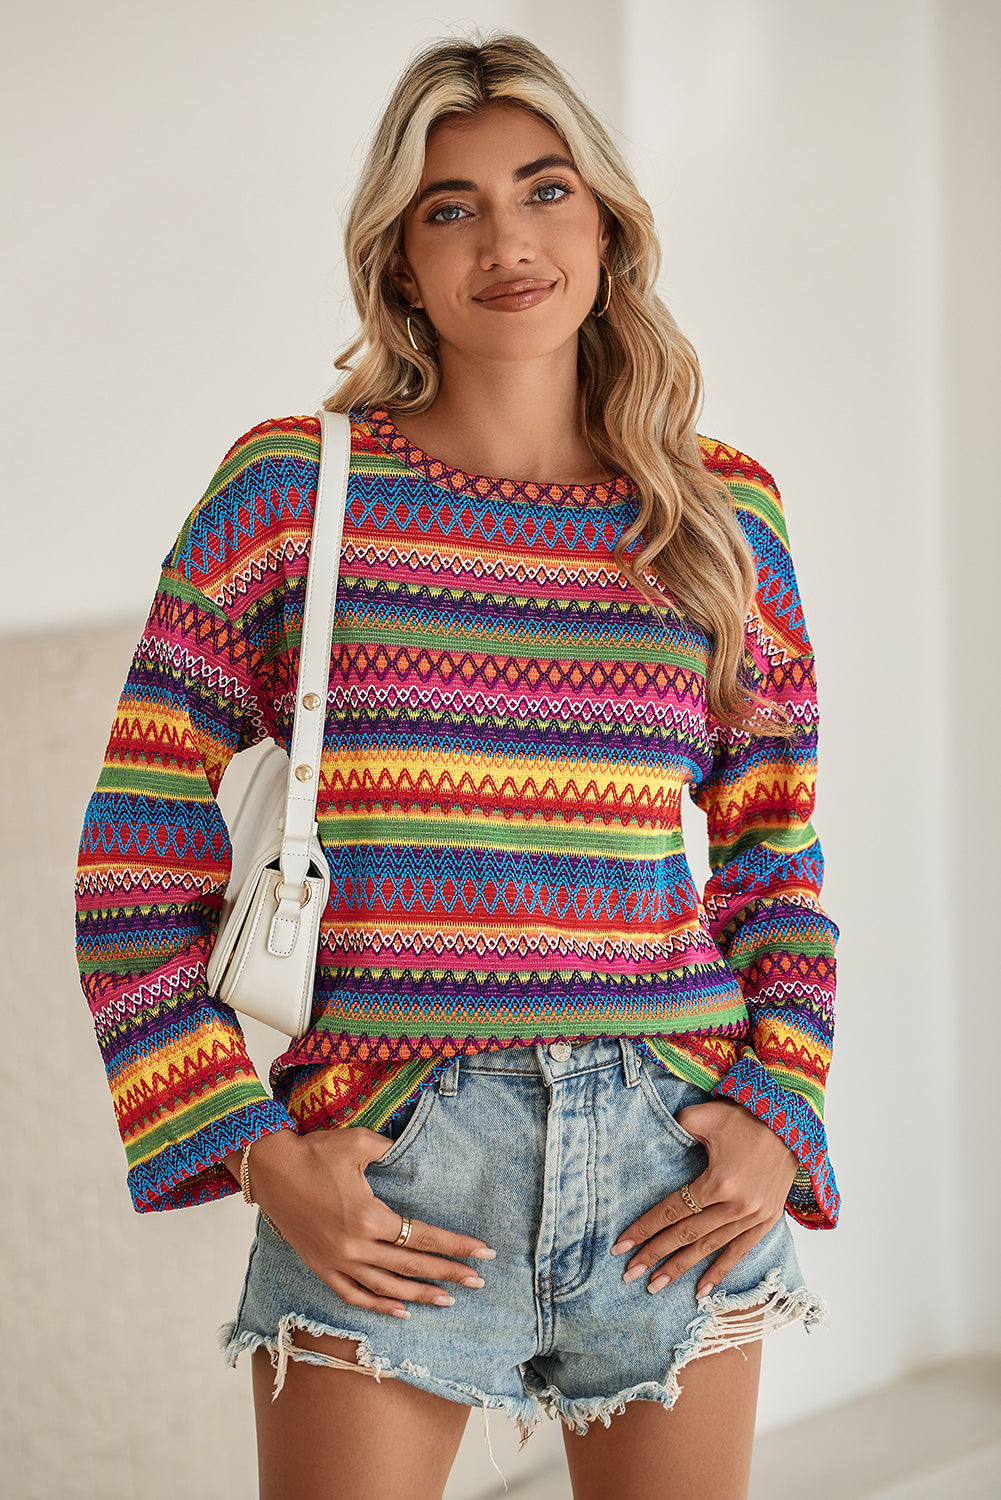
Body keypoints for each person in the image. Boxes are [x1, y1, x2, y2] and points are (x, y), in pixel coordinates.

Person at [75, 31, 838, 1500]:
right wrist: (249, 1145)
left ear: (606, 223)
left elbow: (776, 853)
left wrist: (776, 1113)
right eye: (450, 208)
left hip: (672, 1154)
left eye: (544, 189)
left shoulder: (723, 514)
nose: (505, 239)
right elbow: (132, 854)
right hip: (394, 1160)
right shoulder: (292, 493)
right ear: (399, 263)